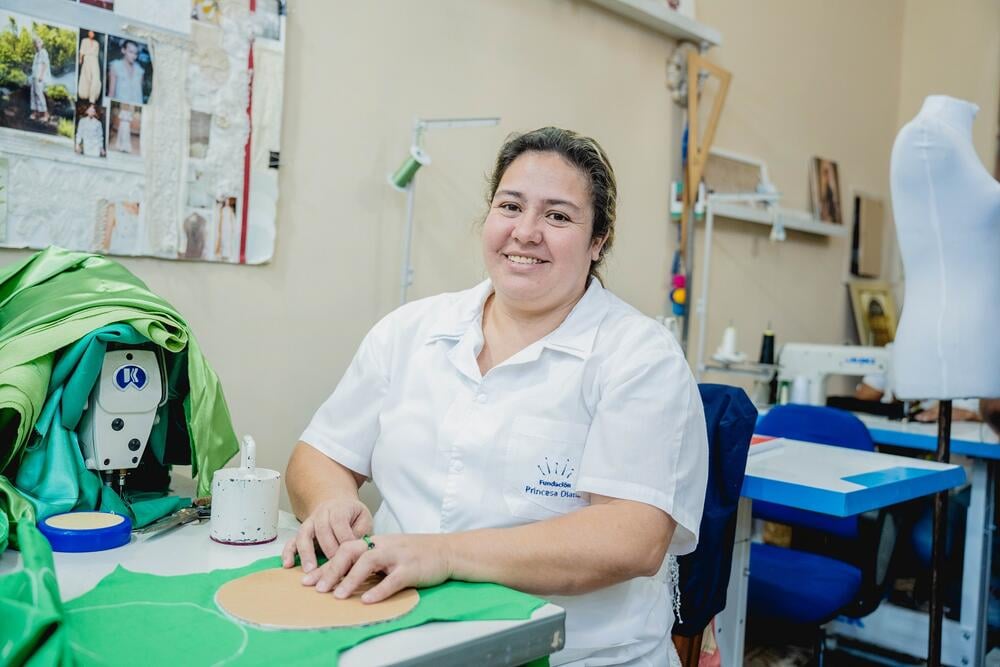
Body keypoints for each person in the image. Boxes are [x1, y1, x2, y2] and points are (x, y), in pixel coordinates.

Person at [283, 127, 709, 665]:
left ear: (598, 241)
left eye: (558, 216)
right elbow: (318, 453)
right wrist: (330, 503)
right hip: (396, 631)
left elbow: (632, 538)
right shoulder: (411, 330)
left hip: (575, 653)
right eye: (511, 206)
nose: (526, 232)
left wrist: (442, 555)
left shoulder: (640, 357)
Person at [107, 40, 145, 104]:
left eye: (135, 53)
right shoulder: (115, 66)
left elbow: (140, 94)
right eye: (131, 52)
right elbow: (111, 93)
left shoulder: (140, 71)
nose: (134, 56)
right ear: (123, 50)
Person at [29, 37, 50, 122]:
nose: (36, 44)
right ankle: (35, 112)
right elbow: (34, 67)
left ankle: (46, 114)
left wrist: (41, 75)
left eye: (38, 42)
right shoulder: (36, 54)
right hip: (34, 76)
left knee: (39, 94)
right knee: (33, 94)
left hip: (39, 77)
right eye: (35, 43)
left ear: (41, 43)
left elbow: (45, 64)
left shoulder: (44, 52)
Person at [78, 31, 102, 103]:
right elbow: (82, 51)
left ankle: (93, 97)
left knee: (96, 77)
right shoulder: (84, 40)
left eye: (93, 33)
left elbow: (97, 54)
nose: (92, 34)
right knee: (86, 77)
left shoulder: (96, 43)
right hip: (87, 58)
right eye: (90, 32)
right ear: (88, 33)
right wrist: (80, 59)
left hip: (94, 59)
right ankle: (85, 95)